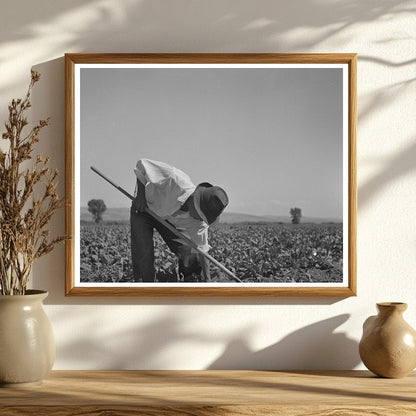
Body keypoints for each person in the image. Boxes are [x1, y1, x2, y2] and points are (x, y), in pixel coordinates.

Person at [130, 159, 229, 283]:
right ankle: (145, 288)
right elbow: (142, 165)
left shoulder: (199, 223)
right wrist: (140, 196)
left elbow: (202, 252)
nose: (200, 220)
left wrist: (208, 280)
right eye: (201, 215)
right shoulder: (173, 179)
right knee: (143, 252)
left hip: (167, 218)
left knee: (187, 249)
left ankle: (191, 281)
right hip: (144, 208)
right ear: (195, 200)